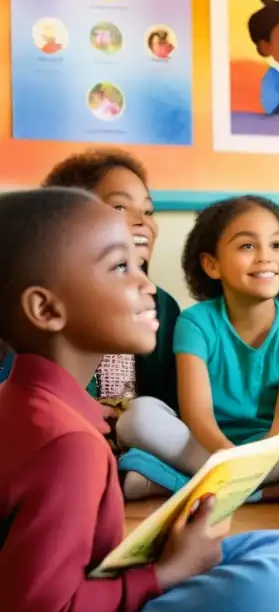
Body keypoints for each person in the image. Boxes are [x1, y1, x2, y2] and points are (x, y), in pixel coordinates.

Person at [0, 188, 279, 612]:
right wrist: (166, 572)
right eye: (120, 267)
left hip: (82, 588)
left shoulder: (30, 403)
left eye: (138, 265)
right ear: (46, 308)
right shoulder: (69, 446)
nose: (147, 283)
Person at [116, 196, 279, 502]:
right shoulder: (195, 322)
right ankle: (269, 491)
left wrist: (250, 462)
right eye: (247, 246)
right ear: (212, 265)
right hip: (204, 442)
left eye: (276, 245)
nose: (265, 257)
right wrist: (231, 459)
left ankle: (172, 483)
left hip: (272, 447)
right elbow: (197, 417)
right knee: (137, 416)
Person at [42, 151, 181, 473]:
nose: (142, 221)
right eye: (120, 207)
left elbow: (167, 403)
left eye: (148, 210)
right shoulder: (50, 300)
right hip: (62, 431)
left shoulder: (160, 305)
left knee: (145, 416)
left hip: (133, 438)